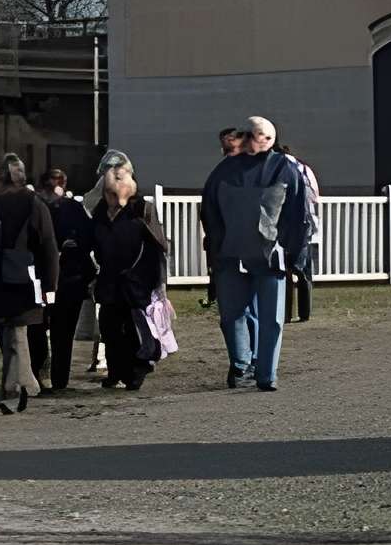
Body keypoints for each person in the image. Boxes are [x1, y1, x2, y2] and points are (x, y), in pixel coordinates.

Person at [198, 117, 319, 391]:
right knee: (232, 314)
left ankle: (266, 373)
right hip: (230, 254)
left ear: (269, 139)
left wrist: (291, 254)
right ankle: (241, 367)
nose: (253, 141)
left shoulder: (285, 168)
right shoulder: (224, 171)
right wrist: (216, 246)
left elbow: (299, 215)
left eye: (258, 136)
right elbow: (210, 211)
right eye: (249, 135)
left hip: (271, 255)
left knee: (270, 318)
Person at [0, 155, 61, 412]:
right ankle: (22, 384)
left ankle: (18, 384)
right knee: (18, 333)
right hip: (27, 280)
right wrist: (50, 286)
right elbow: (48, 248)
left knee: (10, 335)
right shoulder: (35, 205)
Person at [86, 157, 176, 390]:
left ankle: (137, 369)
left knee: (137, 329)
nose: (111, 198)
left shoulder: (142, 209)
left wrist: (159, 283)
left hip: (137, 281)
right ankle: (116, 371)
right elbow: (93, 240)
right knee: (110, 327)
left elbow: (158, 247)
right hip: (109, 279)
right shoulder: (100, 211)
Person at [36, 165, 97, 396]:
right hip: (65, 277)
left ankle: (48, 376)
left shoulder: (44, 207)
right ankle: (55, 377)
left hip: (60, 277)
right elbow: (89, 238)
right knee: (59, 331)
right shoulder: (70, 208)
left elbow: (88, 238)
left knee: (47, 329)